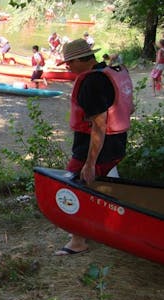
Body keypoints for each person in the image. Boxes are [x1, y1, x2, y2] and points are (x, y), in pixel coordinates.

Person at [55, 39, 134, 256]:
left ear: (82, 60)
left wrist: (89, 163)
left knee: (73, 188)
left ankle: (78, 240)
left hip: (96, 149)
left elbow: (99, 125)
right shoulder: (110, 72)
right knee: (104, 186)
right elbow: (130, 107)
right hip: (117, 144)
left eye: (70, 62)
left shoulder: (91, 83)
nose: (68, 66)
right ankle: (111, 226)